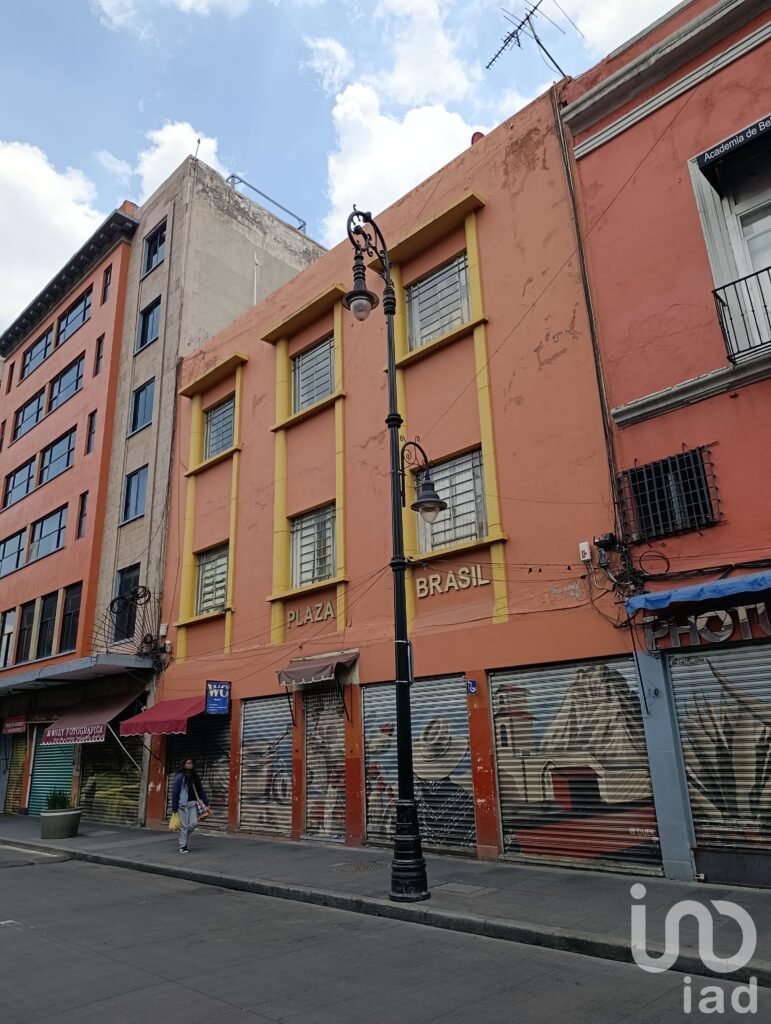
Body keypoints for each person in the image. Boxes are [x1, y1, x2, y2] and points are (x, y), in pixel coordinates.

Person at [171, 758, 208, 853]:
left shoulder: (195, 776)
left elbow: (200, 790)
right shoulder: (180, 777)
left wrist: (205, 801)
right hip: (182, 805)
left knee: (193, 824)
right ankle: (183, 845)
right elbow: (175, 792)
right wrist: (174, 807)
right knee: (184, 826)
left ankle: (182, 838)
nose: (191, 764)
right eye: (189, 763)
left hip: (193, 804)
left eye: (192, 762)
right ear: (184, 765)